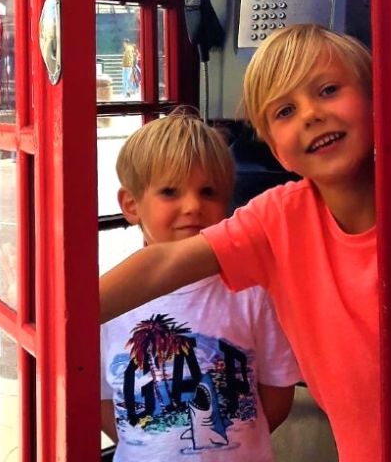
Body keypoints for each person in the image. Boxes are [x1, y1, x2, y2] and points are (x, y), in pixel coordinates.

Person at [100, 24, 379, 462]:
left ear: (373, 98)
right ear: (275, 149)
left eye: (328, 90)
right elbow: (162, 265)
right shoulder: (277, 219)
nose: (310, 114)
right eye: (284, 111)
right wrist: (56, 315)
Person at [101, 109, 300, 459]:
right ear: (131, 205)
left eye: (208, 191)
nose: (193, 206)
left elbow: (277, 393)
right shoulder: (111, 299)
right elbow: (105, 403)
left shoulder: (252, 292)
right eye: (170, 192)